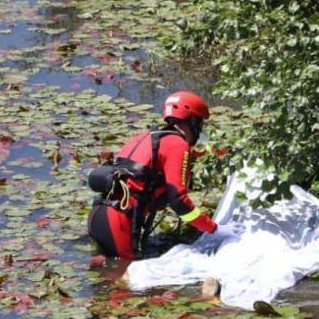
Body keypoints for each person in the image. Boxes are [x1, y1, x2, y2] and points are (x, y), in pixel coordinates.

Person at [87, 91, 225, 259]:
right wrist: (213, 229)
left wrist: (220, 153)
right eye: (200, 123)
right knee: (125, 281)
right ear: (193, 120)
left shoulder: (148, 137)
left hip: (99, 215)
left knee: (106, 273)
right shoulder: (178, 145)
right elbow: (179, 202)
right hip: (118, 224)